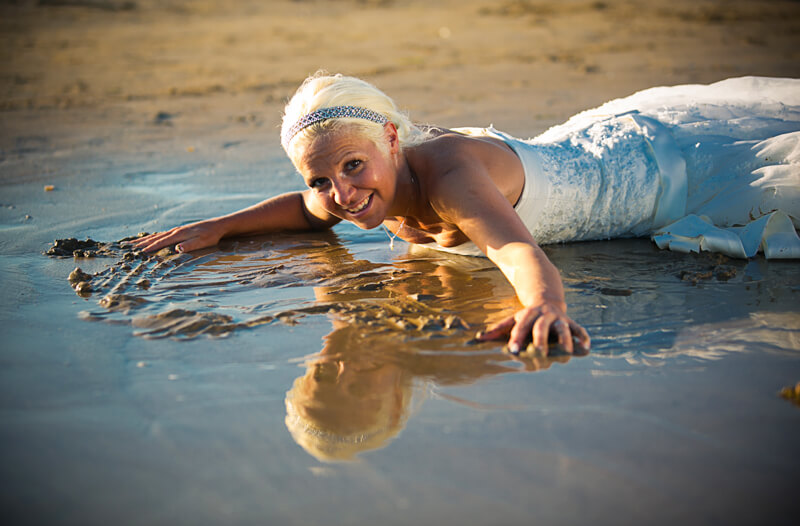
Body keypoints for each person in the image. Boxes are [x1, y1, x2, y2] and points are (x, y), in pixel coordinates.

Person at [133, 73, 800, 355]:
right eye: (322, 176)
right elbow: (307, 215)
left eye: (353, 167)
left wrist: (544, 305)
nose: (340, 192)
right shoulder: (348, 188)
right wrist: (216, 227)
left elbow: (516, 253)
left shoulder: (448, 177)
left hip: (658, 172)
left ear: (392, 140)